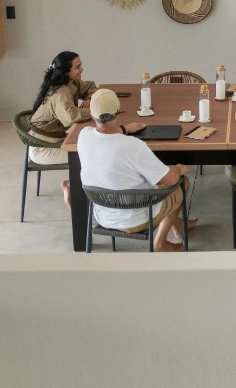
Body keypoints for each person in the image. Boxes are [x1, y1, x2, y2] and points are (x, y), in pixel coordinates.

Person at [77, 89, 195, 252]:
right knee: (182, 183)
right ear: (119, 111)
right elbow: (170, 180)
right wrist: (178, 169)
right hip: (137, 218)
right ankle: (160, 243)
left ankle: (179, 226)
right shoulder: (133, 146)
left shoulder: (83, 136)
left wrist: (124, 129)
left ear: (91, 113)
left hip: (102, 214)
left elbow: (105, 135)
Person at [29, 51, 97, 208]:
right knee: (92, 154)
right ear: (66, 70)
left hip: (57, 138)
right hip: (43, 147)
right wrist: (96, 112)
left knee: (92, 146)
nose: (82, 70)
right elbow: (71, 118)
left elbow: (91, 86)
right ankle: (72, 186)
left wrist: (89, 99)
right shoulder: (60, 91)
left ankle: (75, 185)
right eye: (77, 67)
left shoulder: (70, 82)